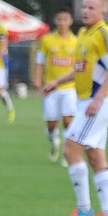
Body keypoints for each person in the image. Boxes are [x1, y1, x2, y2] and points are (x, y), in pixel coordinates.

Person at [43, 0, 108, 216]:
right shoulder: (85, 35)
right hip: (86, 101)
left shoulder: (104, 33)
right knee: (95, 156)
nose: (85, 11)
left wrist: (97, 100)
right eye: (84, 6)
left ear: (102, 12)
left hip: (95, 103)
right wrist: (58, 81)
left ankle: (85, 209)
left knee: (70, 149)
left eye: (91, 7)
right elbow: (82, 69)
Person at [33, 8, 78, 165]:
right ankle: (54, 143)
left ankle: (67, 153)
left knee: (68, 121)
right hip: (50, 88)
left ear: (71, 21)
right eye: (60, 19)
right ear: (55, 20)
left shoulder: (76, 42)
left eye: (65, 19)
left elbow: (79, 66)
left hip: (70, 87)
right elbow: (40, 61)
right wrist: (38, 79)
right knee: (51, 124)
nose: (62, 22)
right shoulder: (47, 40)